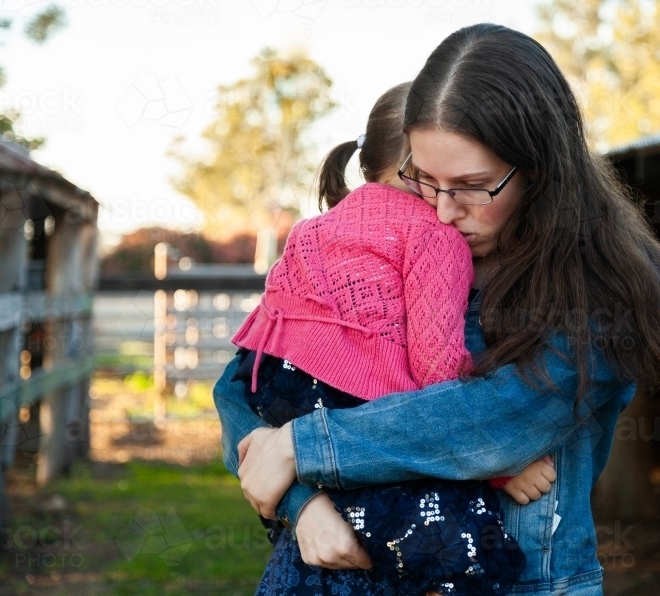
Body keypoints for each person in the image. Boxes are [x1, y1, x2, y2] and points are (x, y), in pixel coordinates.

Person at [216, 23, 660, 596]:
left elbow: (485, 420)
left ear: (540, 170)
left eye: (472, 186)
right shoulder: (396, 256)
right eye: (422, 180)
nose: (441, 213)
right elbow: (243, 390)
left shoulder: (603, 287)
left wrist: (298, 448)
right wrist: (303, 503)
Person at [226, 82, 553, 596]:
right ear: (420, 166)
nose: (447, 206)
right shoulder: (435, 236)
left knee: (340, 549)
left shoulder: (312, 228)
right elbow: (437, 373)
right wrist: (499, 472)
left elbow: (260, 338)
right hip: (366, 406)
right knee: (473, 556)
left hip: (279, 389)